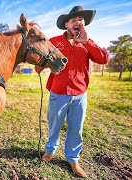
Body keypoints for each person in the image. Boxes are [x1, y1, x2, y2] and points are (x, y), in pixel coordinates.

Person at [36, 5, 109, 177]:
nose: (77, 22)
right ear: (67, 24)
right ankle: (50, 151)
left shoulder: (87, 42)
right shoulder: (54, 41)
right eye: (73, 20)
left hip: (79, 94)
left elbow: (104, 59)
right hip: (58, 92)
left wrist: (87, 42)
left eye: (80, 20)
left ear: (84, 24)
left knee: (76, 128)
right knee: (54, 124)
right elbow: (42, 60)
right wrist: (40, 66)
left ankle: (73, 159)